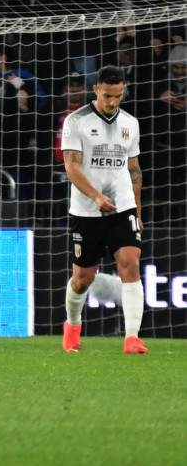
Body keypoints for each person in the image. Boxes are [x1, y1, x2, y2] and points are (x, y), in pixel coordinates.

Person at [61, 66, 147, 354]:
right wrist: (96, 197)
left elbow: (134, 169)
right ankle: (72, 325)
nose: (113, 102)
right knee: (82, 279)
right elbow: (71, 167)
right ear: (96, 89)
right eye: (108, 96)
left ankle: (132, 338)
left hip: (122, 207)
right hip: (87, 210)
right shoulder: (77, 121)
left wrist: (138, 210)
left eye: (118, 96)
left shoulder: (130, 123)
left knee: (131, 263)